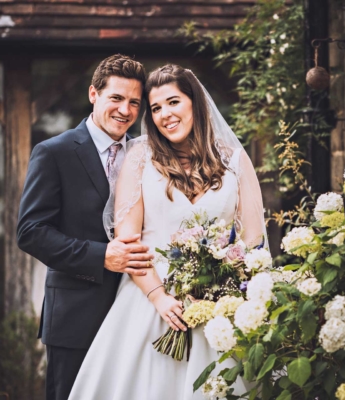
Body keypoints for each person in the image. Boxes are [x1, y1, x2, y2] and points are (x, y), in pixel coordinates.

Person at [68, 64, 266, 399]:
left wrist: (228, 292)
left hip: (220, 304)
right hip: (149, 301)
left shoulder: (235, 160)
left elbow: (254, 240)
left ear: (195, 103)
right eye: (156, 108)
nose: (165, 114)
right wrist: (159, 297)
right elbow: (126, 241)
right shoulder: (139, 157)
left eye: (173, 102)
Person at [17, 54, 154, 400]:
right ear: (93, 94)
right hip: (76, 315)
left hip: (139, 313)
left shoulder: (148, 155)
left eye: (134, 102)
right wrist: (101, 256)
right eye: (116, 98)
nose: (125, 110)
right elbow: (31, 231)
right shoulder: (53, 152)